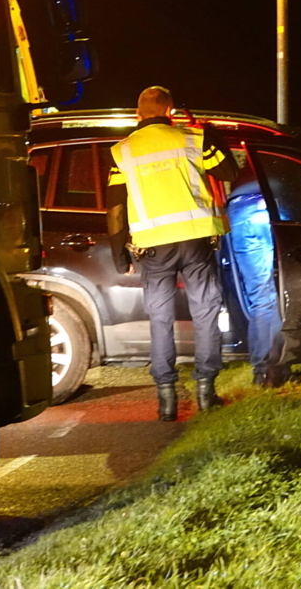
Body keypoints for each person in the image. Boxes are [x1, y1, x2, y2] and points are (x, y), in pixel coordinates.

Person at [106, 87, 237, 421]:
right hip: (196, 242)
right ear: (170, 111)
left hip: (153, 248)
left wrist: (120, 254)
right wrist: (212, 134)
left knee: (160, 319)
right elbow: (229, 172)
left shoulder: (123, 151)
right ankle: (206, 391)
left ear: (137, 114)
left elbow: (116, 208)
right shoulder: (193, 138)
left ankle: (166, 400)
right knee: (205, 312)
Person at [226, 166, 289, 387]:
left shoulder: (241, 169)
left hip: (239, 209)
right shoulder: (273, 162)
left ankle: (264, 370)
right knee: (277, 292)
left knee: (261, 296)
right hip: (269, 203)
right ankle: (275, 366)